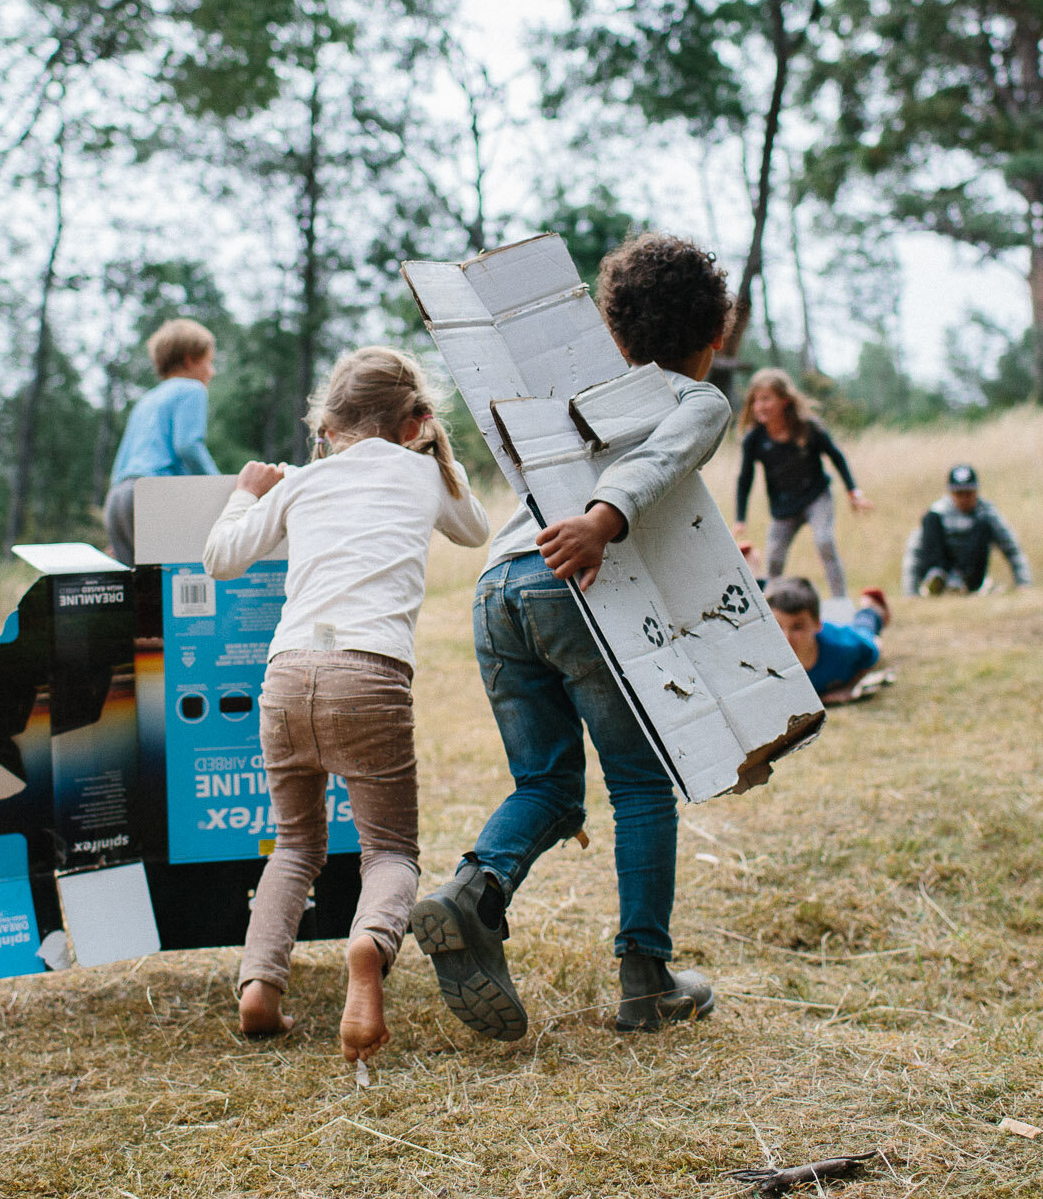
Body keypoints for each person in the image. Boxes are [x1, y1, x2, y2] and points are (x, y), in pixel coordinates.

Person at [412, 232, 730, 1041]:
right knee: (642, 782)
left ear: (614, 334)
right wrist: (600, 521)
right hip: (573, 579)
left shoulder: (580, 385)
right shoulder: (697, 398)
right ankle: (646, 974)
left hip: (498, 589)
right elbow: (659, 462)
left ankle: (474, 890)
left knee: (548, 788)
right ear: (717, 335)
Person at [200, 347, 491, 1066]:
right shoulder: (424, 472)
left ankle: (260, 988)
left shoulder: (301, 483)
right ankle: (371, 945)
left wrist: (247, 490)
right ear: (413, 420)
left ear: (327, 425)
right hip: (371, 675)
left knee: (296, 845)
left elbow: (220, 557)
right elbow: (476, 528)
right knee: (388, 849)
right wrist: (431, 448)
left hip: (286, 675)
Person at [732, 369, 871, 598]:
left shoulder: (808, 428)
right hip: (784, 506)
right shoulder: (754, 439)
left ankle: (840, 601)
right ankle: (773, 607)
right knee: (774, 556)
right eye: (755, 400)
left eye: (766, 399)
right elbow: (745, 478)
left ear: (784, 400)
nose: (760, 406)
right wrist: (740, 518)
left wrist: (853, 491)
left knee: (824, 542)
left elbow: (836, 457)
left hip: (816, 497)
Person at [102, 319, 219, 567]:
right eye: (208, 362)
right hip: (153, 494)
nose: (212, 371)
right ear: (189, 360)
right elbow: (188, 445)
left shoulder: (147, 400)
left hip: (118, 497)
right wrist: (222, 488)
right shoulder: (192, 389)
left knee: (137, 589)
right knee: (171, 586)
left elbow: (121, 461)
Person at [902, 463, 1031, 595]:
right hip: (941, 567)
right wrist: (910, 592)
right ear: (951, 493)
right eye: (959, 493)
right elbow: (914, 554)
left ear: (976, 492)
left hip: (971, 575)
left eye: (968, 493)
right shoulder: (937, 513)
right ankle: (937, 577)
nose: (964, 498)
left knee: (983, 524)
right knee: (930, 520)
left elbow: (1012, 549)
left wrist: (1023, 583)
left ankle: (960, 581)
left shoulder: (987, 513)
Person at [765, 577, 890, 705]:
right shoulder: (761, 654)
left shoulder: (844, 647)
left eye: (797, 627)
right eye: (777, 626)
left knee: (865, 628)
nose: (786, 638)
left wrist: (848, 688)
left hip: (846, 634)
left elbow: (872, 651)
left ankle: (871, 606)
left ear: (817, 624)